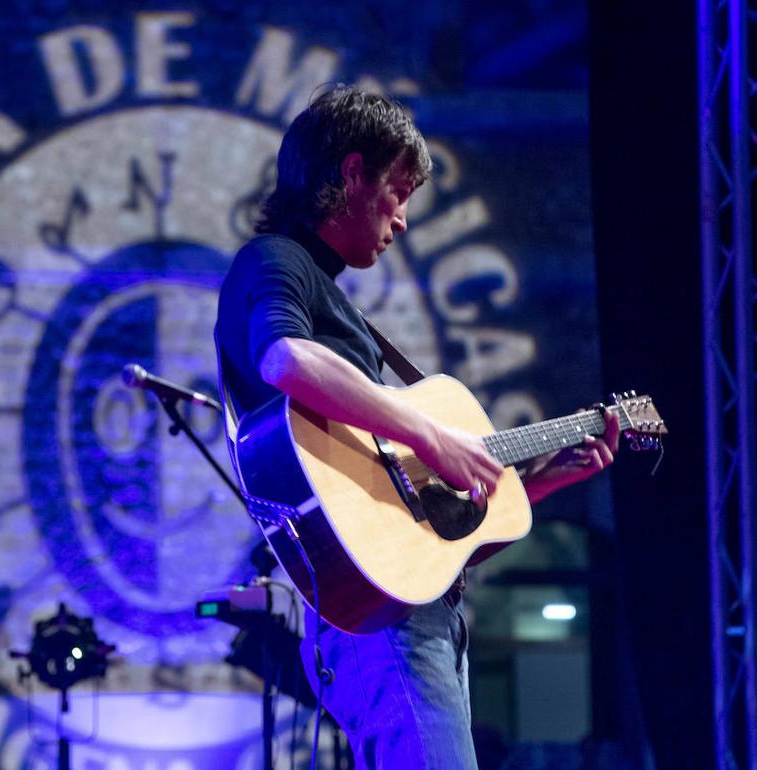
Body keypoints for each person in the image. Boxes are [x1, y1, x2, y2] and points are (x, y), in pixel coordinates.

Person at [214, 86, 620, 769]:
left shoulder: (331, 301)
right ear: (350, 175)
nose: (401, 220)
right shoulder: (276, 263)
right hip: (385, 632)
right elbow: (283, 356)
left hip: (411, 617)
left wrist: (546, 480)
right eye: (397, 192)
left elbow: (430, 541)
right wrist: (432, 436)